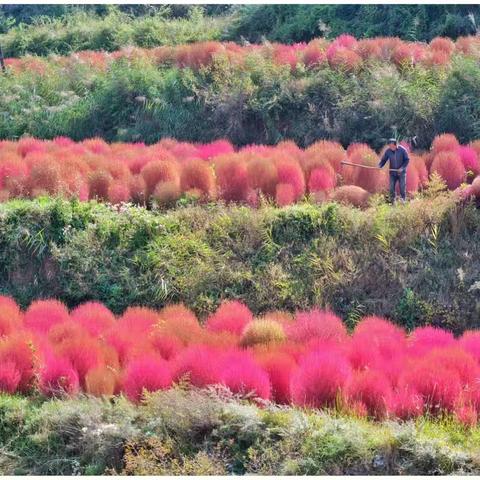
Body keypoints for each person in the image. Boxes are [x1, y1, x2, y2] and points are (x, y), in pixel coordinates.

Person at [378, 138, 410, 203]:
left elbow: (407, 160)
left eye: (391, 146)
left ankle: (403, 200)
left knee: (402, 187)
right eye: (389, 146)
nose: (390, 147)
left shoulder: (402, 150)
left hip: (401, 173)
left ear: (395, 145)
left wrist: (402, 168)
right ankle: (393, 201)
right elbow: (383, 160)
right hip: (392, 173)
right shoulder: (388, 151)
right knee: (391, 187)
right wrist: (379, 166)